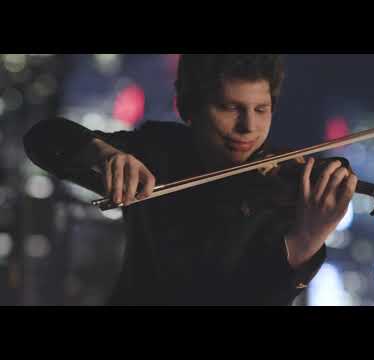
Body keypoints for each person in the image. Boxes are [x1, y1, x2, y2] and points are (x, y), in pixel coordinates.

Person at [23, 54, 357, 306]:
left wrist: (307, 239)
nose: (249, 128)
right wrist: (104, 154)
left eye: (261, 109)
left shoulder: (286, 188)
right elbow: (44, 138)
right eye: (230, 108)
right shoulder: (156, 151)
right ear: (188, 107)